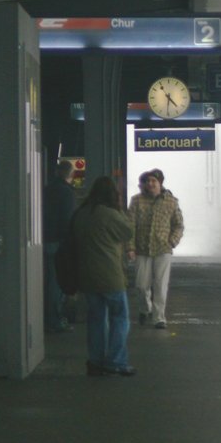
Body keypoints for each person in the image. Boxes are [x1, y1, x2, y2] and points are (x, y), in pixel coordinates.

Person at [73, 176, 136, 376]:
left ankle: (95, 361)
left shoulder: (82, 213)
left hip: (87, 275)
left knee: (96, 319)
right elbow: (127, 232)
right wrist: (120, 210)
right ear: (112, 195)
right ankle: (116, 362)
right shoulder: (109, 214)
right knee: (120, 317)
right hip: (110, 275)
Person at [127, 168, 184, 329]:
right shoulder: (136, 201)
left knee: (160, 285)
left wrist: (172, 241)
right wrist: (130, 247)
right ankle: (145, 309)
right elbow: (130, 225)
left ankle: (159, 317)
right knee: (141, 285)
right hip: (142, 249)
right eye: (148, 181)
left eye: (154, 181)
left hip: (163, 249)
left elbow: (178, 224)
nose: (150, 184)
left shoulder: (171, 201)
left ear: (160, 183)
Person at [43, 159, 76, 333]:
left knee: (50, 281)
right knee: (58, 283)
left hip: (45, 240)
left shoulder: (46, 190)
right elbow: (68, 220)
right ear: (71, 175)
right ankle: (55, 320)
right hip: (60, 243)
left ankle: (48, 317)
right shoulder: (67, 193)